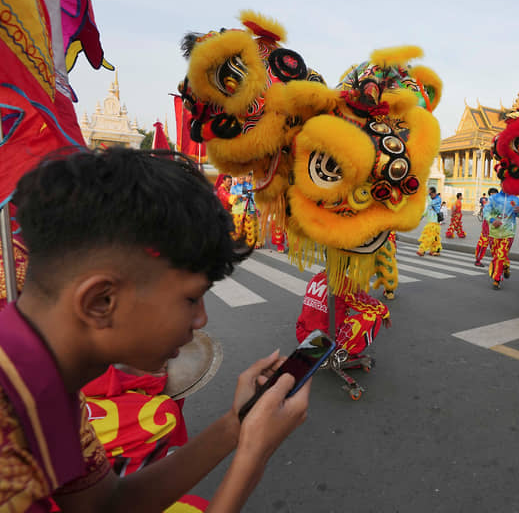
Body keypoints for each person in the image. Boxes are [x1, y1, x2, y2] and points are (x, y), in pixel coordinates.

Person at [0, 148, 310, 512]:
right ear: (101, 301)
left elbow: (107, 504)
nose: (201, 321)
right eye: (192, 299)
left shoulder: (44, 382)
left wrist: (235, 425)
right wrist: (252, 459)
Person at [483, 188, 519, 289]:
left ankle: (497, 279)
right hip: (494, 233)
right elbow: (486, 212)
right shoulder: (493, 198)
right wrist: (492, 220)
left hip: (508, 233)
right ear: (501, 184)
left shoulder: (516, 199)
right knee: (496, 256)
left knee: (500, 255)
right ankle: (506, 266)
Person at [474, 187, 498, 267]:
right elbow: (485, 215)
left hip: (494, 228)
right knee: (483, 243)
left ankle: (496, 261)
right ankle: (478, 260)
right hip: (487, 226)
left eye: (495, 194)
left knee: (495, 245)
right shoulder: (488, 203)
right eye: (493, 194)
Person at [417, 186, 443, 256]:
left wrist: (427, 195)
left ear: (434, 193)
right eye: (429, 194)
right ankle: (435, 250)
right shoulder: (430, 201)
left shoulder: (438, 199)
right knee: (434, 238)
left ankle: (422, 250)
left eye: (430, 194)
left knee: (428, 237)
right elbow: (426, 211)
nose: (430, 195)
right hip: (430, 222)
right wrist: (420, 218)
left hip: (434, 223)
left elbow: (430, 203)